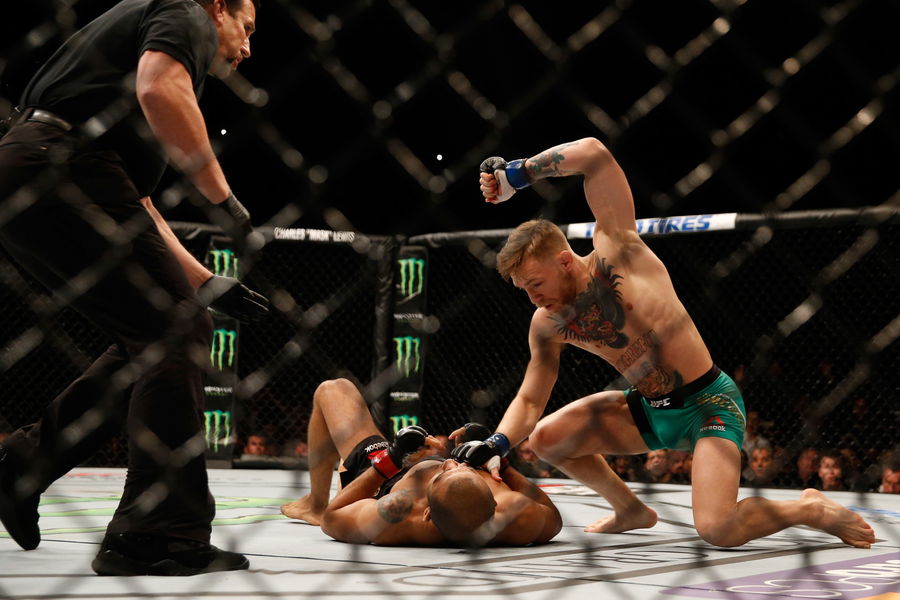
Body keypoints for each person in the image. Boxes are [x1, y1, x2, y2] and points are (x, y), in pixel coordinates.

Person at [452, 136, 875, 549]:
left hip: (708, 404)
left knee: (718, 529)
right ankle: (630, 510)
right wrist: (496, 444)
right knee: (546, 439)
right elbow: (530, 398)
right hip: (648, 410)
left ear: (564, 261)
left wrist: (519, 174)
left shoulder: (619, 252)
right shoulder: (548, 323)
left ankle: (809, 509)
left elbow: (594, 155)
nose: (533, 297)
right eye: (523, 289)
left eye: (536, 283)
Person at [0, 0, 267, 576]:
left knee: (152, 336)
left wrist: (206, 283)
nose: (248, 48)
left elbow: (138, 204)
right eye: (245, 28)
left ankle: (20, 466)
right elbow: (158, 88)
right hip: (60, 165)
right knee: (175, 328)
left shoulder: (134, 68)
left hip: (34, 167)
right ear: (218, 8)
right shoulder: (185, 11)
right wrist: (224, 200)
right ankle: (154, 534)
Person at [279, 378, 561, 547]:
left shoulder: (398, 515)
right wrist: (498, 460)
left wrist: (391, 460)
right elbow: (554, 518)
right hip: (438, 485)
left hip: (387, 480)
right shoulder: (514, 516)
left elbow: (333, 517)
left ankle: (314, 503)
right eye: (465, 468)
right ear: (494, 504)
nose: (450, 463)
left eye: (442, 474)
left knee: (333, 389)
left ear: (426, 512)